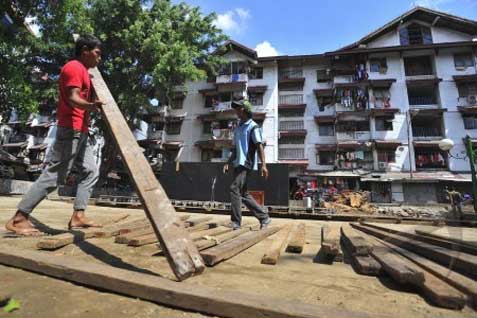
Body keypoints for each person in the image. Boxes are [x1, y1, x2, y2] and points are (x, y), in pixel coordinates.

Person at [5, 34, 104, 236]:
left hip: (82, 130)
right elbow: (73, 97)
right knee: (56, 174)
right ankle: (19, 218)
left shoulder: (85, 72)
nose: (99, 58)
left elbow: (83, 96)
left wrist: (92, 103)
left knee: (91, 172)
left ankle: (78, 216)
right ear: (85, 50)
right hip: (71, 129)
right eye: (97, 53)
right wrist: (91, 106)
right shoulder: (74, 67)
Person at [223, 99, 271, 230]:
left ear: (243, 110)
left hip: (246, 163)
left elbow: (259, 146)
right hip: (238, 163)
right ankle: (264, 218)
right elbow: (235, 148)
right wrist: (227, 162)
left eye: (237, 109)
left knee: (234, 188)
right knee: (243, 193)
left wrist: (264, 165)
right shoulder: (238, 127)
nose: (236, 111)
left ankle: (236, 222)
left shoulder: (253, 127)